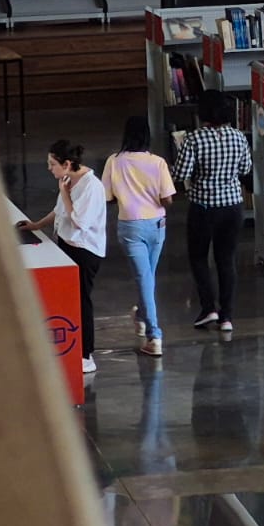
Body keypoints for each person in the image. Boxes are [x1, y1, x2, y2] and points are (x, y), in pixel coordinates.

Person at [17, 140, 107, 375]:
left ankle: (86, 354)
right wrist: (36, 224)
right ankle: (74, 350)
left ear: (67, 164)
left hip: (84, 250)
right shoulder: (68, 180)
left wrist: (64, 193)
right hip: (68, 244)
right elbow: (59, 210)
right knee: (71, 300)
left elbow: (80, 222)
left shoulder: (91, 186)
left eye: (52, 164)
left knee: (82, 301)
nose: (49, 168)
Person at [173, 90, 252, 334]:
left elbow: (180, 174)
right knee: (226, 260)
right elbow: (245, 168)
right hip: (232, 206)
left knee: (198, 257)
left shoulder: (194, 139)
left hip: (203, 207)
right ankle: (227, 316)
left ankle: (209, 308)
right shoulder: (238, 136)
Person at [104, 116, 175, 358]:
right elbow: (168, 198)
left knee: (145, 278)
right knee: (147, 277)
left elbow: (108, 197)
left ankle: (151, 330)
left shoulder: (114, 162)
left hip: (130, 225)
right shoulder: (158, 163)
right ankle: (149, 327)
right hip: (157, 225)